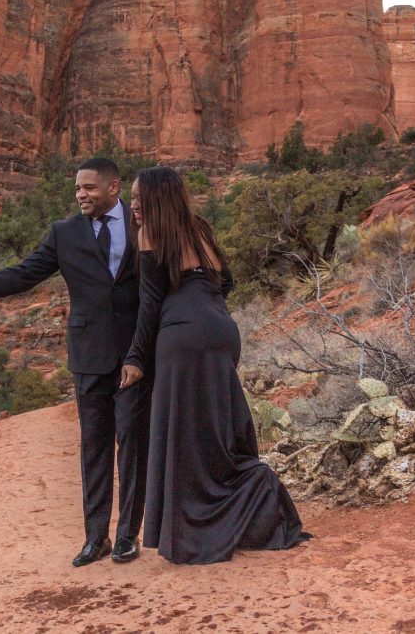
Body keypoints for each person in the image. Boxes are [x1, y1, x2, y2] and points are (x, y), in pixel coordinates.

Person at [0, 157, 152, 567]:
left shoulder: (143, 222)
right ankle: (96, 538)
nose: (81, 195)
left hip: (135, 354)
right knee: (94, 447)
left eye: (89, 188)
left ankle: (127, 535)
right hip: (88, 355)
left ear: (114, 188)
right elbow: (25, 273)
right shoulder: (64, 233)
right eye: (77, 189)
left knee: (133, 444)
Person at [119, 166, 308, 565]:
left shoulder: (150, 234)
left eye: (138, 199)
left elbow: (149, 306)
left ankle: (196, 532)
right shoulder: (200, 229)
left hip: (182, 338)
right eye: (132, 198)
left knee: (184, 435)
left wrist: (136, 357)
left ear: (156, 199)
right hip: (221, 332)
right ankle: (246, 500)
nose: (132, 206)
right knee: (215, 429)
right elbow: (226, 283)